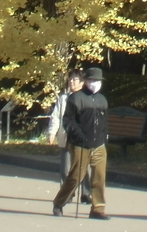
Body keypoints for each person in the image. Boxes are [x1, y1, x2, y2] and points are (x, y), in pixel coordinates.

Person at [52, 66, 109, 219]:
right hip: (80, 144)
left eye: (97, 80)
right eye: (91, 80)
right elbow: (68, 120)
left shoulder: (102, 100)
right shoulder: (76, 98)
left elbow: (104, 122)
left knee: (99, 176)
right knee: (76, 176)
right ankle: (59, 202)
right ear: (85, 81)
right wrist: (78, 135)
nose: (94, 83)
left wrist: (104, 136)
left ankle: (98, 208)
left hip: (98, 144)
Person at [47, 69, 91, 205]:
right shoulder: (64, 98)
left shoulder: (87, 98)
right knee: (66, 169)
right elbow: (56, 116)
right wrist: (52, 132)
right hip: (66, 138)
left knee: (83, 168)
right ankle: (67, 194)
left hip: (81, 138)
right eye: (70, 79)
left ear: (82, 82)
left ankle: (86, 193)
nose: (71, 81)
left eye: (75, 79)